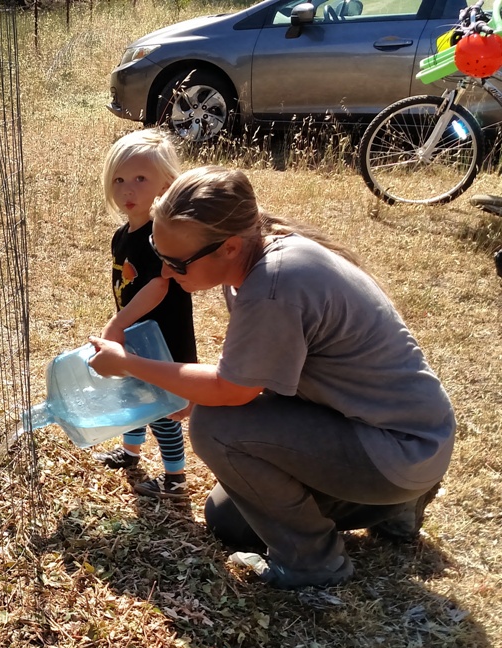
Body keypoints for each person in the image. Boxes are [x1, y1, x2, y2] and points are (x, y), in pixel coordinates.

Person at [87, 166, 455, 590]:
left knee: (216, 425)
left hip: (398, 450)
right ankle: (397, 507)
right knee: (229, 520)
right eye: (158, 253)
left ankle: (313, 564)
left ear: (228, 247)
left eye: (175, 262)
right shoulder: (257, 255)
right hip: (410, 439)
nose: (166, 273)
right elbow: (255, 373)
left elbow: (231, 390)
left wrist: (129, 364)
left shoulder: (273, 286)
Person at [90, 128, 198, 500]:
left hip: (163, 339)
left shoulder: (159, 234)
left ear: (166, 184)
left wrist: (118, 322)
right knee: (131, 396)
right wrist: (123, 322)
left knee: (160, 409)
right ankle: (131, 453)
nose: (127, 190)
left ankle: (176, 477)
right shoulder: (123, 236)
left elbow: (158, 286)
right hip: (137, 334)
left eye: (140, 179)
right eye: (118, 180)